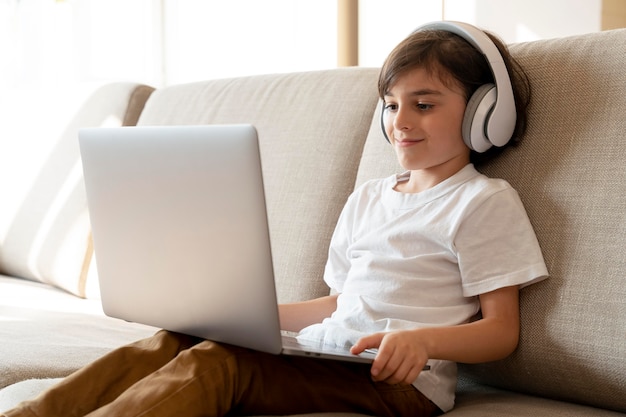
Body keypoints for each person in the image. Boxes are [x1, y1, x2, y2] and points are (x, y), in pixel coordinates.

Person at [3, 21, 547, 417]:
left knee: (221, 365)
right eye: (390, 104)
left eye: (423, 104)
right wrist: (238, 315)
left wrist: (426, 341)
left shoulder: (482, 202)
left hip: (401, 385)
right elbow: (337, 304)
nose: (400, 121)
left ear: (483, 115)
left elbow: (501, 332)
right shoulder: (369, 197)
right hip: (334, 355)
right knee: (182, 341)